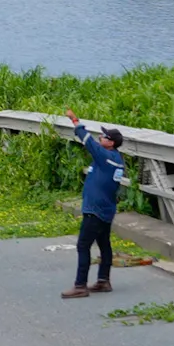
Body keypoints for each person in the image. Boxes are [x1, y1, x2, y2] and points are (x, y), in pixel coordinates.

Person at [60, 108, 126, 299]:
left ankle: (80, 286)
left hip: (95, 209)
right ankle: (103, 281)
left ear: (111, 143)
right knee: (104, 244)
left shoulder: (105, 157)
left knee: (83, 245)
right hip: (106, 208)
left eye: (104, 137)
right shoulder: (115, 159)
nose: (100, 138)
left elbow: (87, 140)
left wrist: (74, 120)